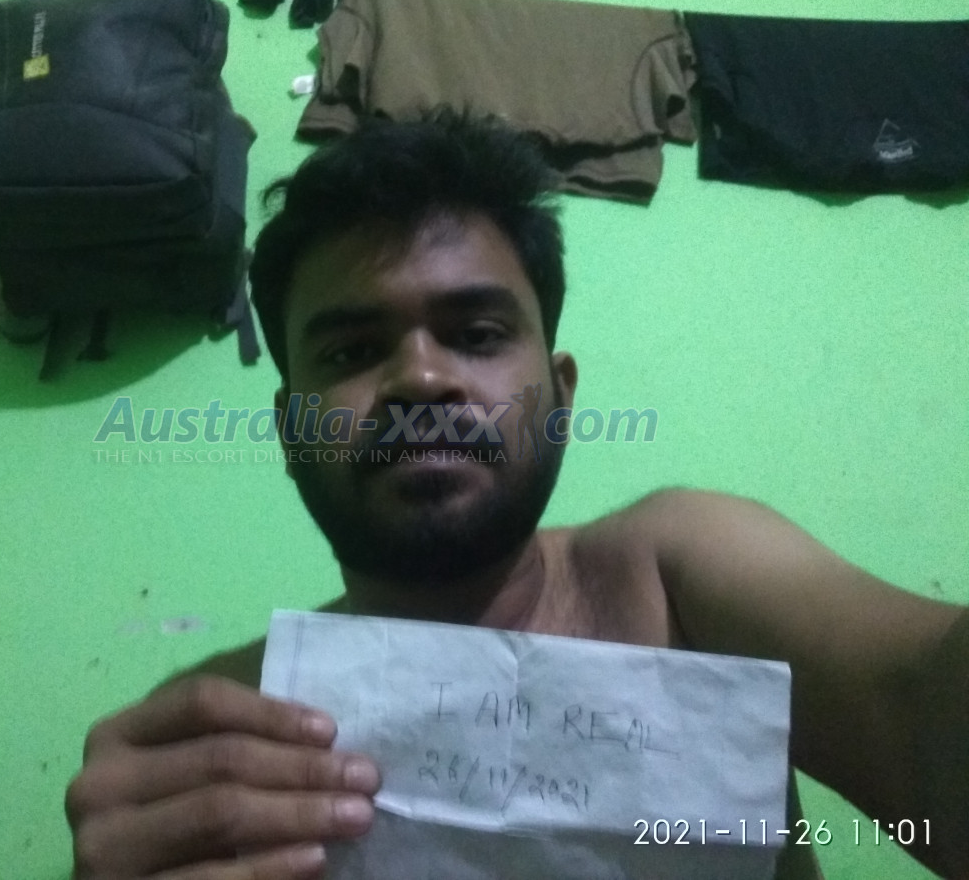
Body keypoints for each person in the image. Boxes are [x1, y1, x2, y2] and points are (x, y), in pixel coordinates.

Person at [64, 114, 968, 880]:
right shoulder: (220, 729)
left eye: (477, 333)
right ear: (291, 427)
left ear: (560, 396)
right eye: (351, 352)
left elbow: (919, 703)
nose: (421, 378)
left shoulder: (679, 575)